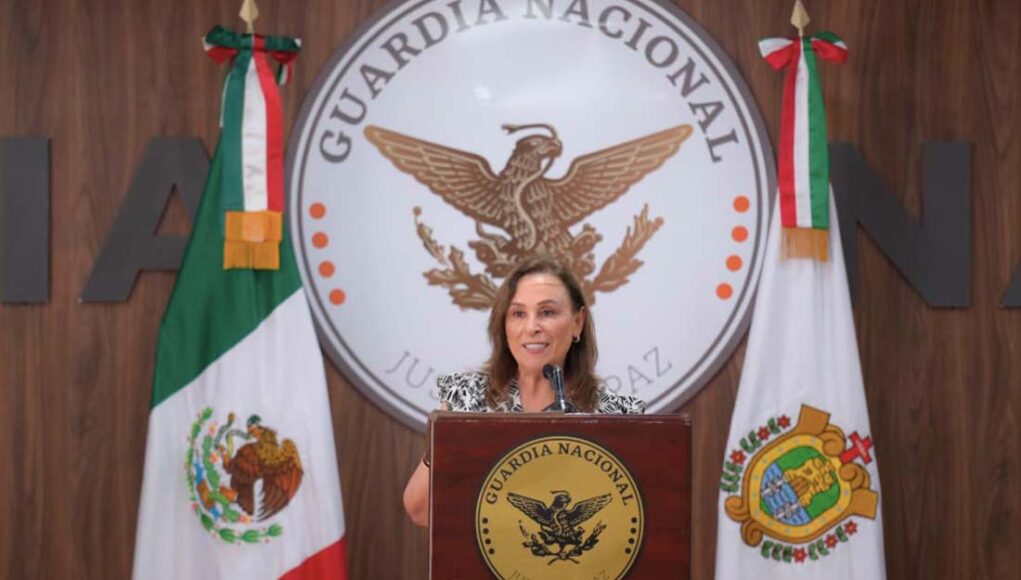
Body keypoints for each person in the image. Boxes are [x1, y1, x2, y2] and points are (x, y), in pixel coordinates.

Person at [402, 255, 645, 526]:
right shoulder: (467, 399)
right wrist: (446, 440)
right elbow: (419, 511)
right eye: (518, 314)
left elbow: (630, 520)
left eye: (547, 312)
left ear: (578, 322)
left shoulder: (618, 414)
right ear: (504, 325)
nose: (531, 328)